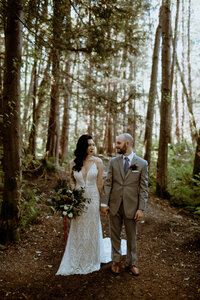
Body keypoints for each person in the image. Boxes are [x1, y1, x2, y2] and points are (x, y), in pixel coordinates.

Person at [56, 134, 109, 275]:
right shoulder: (73, 163)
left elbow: (100, 183)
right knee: (78, 226)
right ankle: (77, 255)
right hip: (78, 199)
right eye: (89, 145)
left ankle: (91, 257)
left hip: (93, 198)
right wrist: (71, 197)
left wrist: (103, 203)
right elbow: (72, 181)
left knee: (91, 226)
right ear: (82, 147)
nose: (92, 147)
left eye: (93, 144)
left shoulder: (98, 162)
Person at [100, 133, 148, 276]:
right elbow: (108, 183)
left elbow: (143, 188)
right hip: (114, 204)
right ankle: (116, 261)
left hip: (132, 207)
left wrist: (141, 208)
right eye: (116, 142)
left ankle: (131, 262)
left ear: (127, 144)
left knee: (131, 235)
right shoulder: (113, 162)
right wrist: (104, 202)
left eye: (119, 143)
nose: (116, 146)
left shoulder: (142, 164)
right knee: (114, 234)